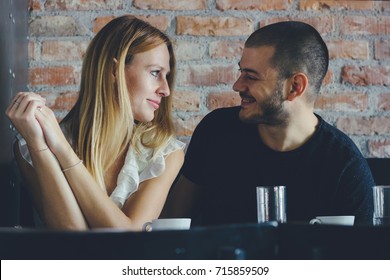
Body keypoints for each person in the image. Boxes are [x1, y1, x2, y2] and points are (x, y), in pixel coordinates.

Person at [162, 21, 374, 226]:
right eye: (241, 72)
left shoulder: (345, 168)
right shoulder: (216, 130)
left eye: (251, 77)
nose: (237, 85)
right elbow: (172, 223)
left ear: (295, 87)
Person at [5, 15, 185, 230]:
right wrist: (40, 146)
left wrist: (61, 148)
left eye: (166, 76)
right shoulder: (29, 147)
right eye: (155, 72)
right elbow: (73, 235)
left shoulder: (164, 154)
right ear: (113, 71)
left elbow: (128, 237)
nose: (165, 89)